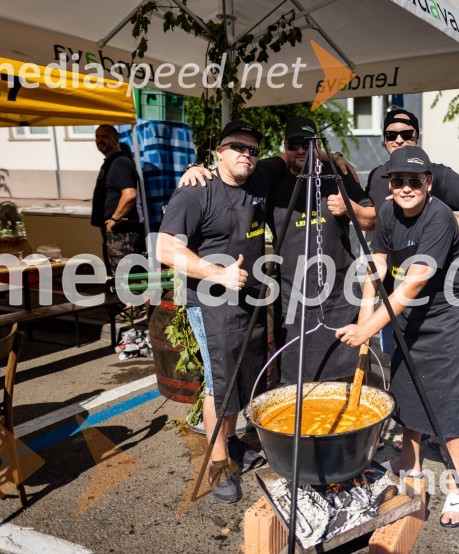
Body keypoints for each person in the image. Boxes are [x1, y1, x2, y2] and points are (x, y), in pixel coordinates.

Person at [336, 146, 459, 529]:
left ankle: (455, 489)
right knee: (407, 392)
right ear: (389, 185)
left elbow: (412, 283)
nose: (407, 187)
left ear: (428, 183)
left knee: (448, 407)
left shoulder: (440, 217)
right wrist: (365, 314)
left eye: (415, 180)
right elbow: (378, 263)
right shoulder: (386, 213)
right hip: (405, 317)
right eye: (399, 181)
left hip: (443, 319)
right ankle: (406, 462)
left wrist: (368, 328)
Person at [157, 120, 286, 504]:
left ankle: (229, 442)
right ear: (218, 152)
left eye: (252, 149)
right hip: (212, 305)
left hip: (247, 300)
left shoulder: (256, 179)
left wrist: (335, 157)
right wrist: (218, 273)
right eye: (237, 147)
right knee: (221, 383)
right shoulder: (196, 192)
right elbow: (165, 249)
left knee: (244, 377)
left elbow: (289, 154)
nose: (246, 154)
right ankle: (216, 464)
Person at [267, 116, 375, 382]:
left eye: (308, 143)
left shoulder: (336, 176)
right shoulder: (273, 180)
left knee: (347, 376)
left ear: (317, 146)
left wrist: (350, 207)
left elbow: (372, 218)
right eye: (295, 144)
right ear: (285, 146)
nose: (301, 149)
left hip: (339, 295)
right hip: (294, 297)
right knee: (295, 381)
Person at [366, 109, 459, 217]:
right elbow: (369, 218)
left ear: (417, 138)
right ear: (385, 140)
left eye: (407, 134)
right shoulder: (376, 175)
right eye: (391, 135)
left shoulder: (440, 174)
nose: (399, 140)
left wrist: (450, 221)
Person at [91, 125, 144, 274]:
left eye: (105, 136)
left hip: (122, 231)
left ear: (116, 139)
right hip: (115, 232)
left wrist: (114, 219)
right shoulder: (110, 162)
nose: (100, 140)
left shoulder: (120, 162)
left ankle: (131, 298)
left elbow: (129, 194)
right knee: (119, 278)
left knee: (125, 280)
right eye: (97, 136)